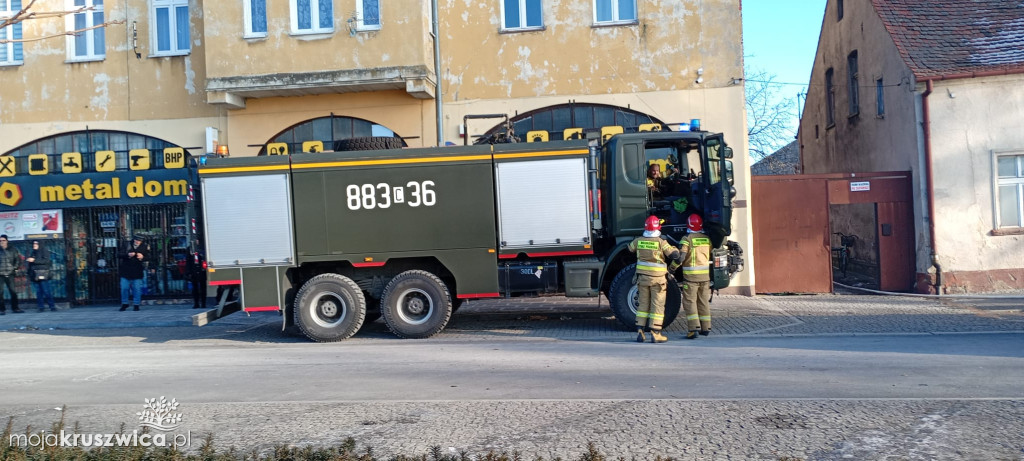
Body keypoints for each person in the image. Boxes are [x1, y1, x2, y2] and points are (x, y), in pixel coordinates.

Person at [627, 216, 681, 344]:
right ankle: (655, 333)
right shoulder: (661, 242)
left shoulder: (639, 241)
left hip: (642, 279)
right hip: (658, 280)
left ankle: (640, 331)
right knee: (657, 305)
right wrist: (675, 250)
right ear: (658, 227)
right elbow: (675, 255)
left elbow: (629, 248)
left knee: (643, 304)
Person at [679, 214, 713, 339]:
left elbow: (681, 257)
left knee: (690, 302)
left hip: (691, 278)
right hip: (705, 277)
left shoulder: (687, 239)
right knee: (703, 302)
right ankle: (706, 328)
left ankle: (694, 329)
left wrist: (671, 268)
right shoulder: (706, 239)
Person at [119, 234, 147, 311]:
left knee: (137, 289)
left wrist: (142, 257)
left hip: (137, 271)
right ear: (134, 239)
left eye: (139, 241)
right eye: (136, 240)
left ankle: (136, 304)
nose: (137, 242)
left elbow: (150, 257)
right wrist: (127, 255)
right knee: (124, 288)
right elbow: (119, 254)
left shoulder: (145, 246)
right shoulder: (127, 244)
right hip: (126, 271)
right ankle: (125, 303)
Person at [26, 240, 56, 312]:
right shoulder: (33, 252)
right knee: (39, 292)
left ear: (40, 244)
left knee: (46, 290)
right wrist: (29, 272)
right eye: (34, 243)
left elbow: (46, 261)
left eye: (36, 243)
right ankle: (41, 307)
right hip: (35, 274)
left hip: (43, 274)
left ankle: (52, 306)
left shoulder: (44, 251)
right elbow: (31, 264)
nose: (34, 245)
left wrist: (34, 260)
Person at [0, 234, 23, 314]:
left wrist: (15, 268)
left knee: (13, 292)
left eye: (3, 240)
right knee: (0, 293)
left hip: (10, 274)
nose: (1, 242)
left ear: (7, 241)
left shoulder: (12, 249)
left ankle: (15, 308)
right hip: (0, 274)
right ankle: (2, 309)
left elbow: (17, 260)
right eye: (0, 240)